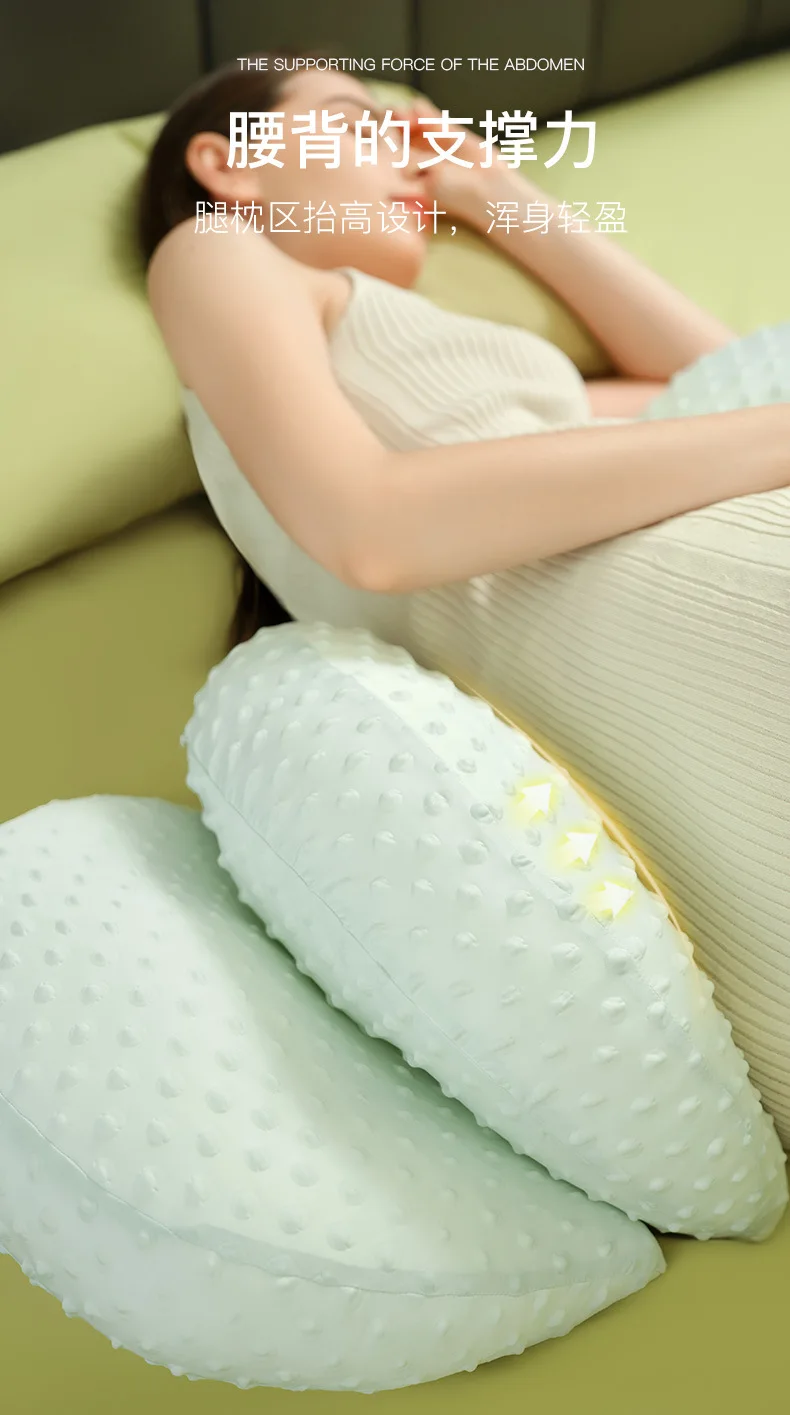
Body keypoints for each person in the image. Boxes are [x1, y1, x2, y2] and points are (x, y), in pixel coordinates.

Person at [139, 51, 790, 1148]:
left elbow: (731, 378)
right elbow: (372, 525)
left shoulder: (490, 370)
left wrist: (496, 194)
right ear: (229, 163)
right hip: (671, 629)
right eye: (358, 120)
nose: (407, 153)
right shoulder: (213, 252)